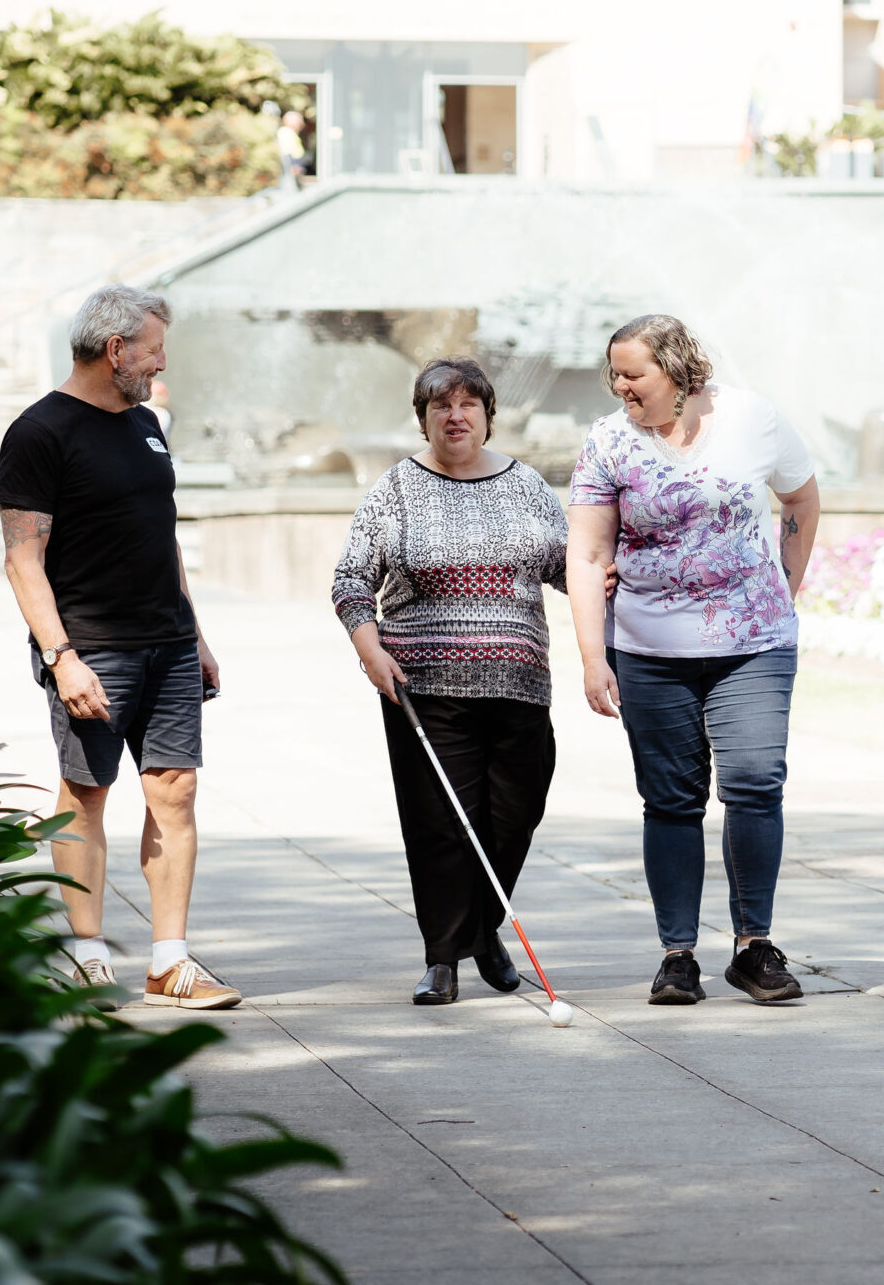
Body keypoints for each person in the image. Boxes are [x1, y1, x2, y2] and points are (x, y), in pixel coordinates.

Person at [566, 314, 821, 1008]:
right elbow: (587, 553)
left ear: (676, 371)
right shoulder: (609, 441)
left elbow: (799, 495)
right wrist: (594, 656)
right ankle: (677, 955)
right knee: (671, 800)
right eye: (614, 374)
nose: (621, 386)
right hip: (649, 648)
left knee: (756, 782)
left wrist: (785, 587)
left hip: (755, 643)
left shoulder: (751, 418)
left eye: (633, 374)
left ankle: (753, 947)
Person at [0, 283, 238, 1011]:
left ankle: (170, 960)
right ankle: (86, 953)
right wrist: (60, 655)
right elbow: (21, 557)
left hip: (166, 641)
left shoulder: (148, 425)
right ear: (116, 350)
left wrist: (194, 631)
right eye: (155, 350)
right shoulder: (39, 432)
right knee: (86, 794)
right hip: (91, 646)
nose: (161, 365)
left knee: (177, 791)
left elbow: (159, 534)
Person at [334, 357, 568, 1006]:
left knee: (514, 815)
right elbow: (351, 579)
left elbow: (569, 567)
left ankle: (484, 927)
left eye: (469, 404)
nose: (456, 415)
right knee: (441, 825)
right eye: (441, 405)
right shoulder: (395, 490)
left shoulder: (528, 487)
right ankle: (444, 958)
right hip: (424, 685)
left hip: (519, 685)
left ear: (489, 416)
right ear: (423, 418)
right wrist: (368, 648)